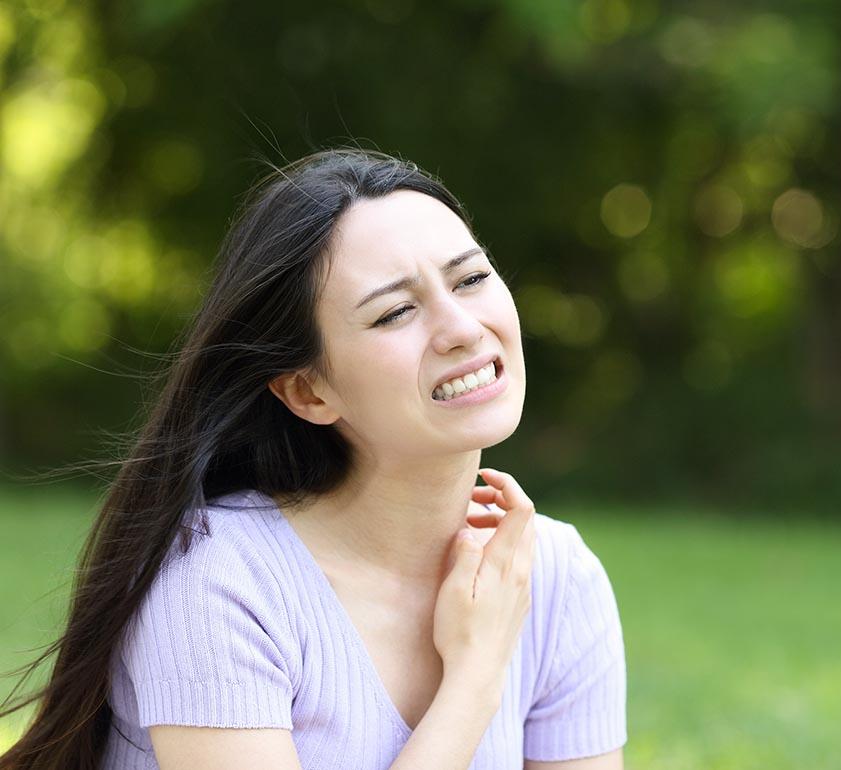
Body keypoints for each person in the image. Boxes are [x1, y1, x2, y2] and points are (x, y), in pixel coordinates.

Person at [0, 148, 627, 769]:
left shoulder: (554, 578)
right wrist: (476, 678)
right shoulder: (219, 582)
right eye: (395, 312)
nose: (461, 326)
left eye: (470, 278)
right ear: (308, 390)